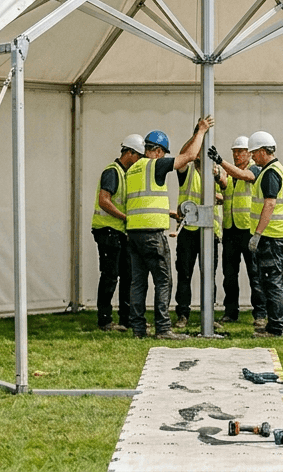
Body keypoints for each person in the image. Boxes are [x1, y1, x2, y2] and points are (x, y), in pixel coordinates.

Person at [124, 116, 213, 339]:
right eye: (163, 152)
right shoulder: (156, 164)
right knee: (164, 279)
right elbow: (189, 157)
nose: (163, 156)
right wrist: (201, 131)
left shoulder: (133, 170)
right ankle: (163, 328)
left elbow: (142, 201)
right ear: (157, 151)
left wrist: (167, 213)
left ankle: (138, 328)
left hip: (134, 233)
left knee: (138, 282)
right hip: (152, 235)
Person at [220, 130, 283, 338]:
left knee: (271, 280)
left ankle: (275, 327)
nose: (252, 156)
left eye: (252, 152)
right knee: (275, 279)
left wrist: (257, 234)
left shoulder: (269, 173)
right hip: (276, 234)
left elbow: (269, 203)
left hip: (271, 236)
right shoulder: (275, 170)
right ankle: (280, 324)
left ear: (261, 151)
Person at [91, 134, 143, 332]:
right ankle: (104, 320)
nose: (138, 161)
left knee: (126, 275)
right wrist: (125, 217)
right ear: (129, 153)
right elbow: (104, 200)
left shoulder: (125, 173)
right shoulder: (112, 172)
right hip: (108, 231)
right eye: (137, 156)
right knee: (110, 276)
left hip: (118, 232)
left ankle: (126, 318)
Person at [213, 136, 265, 329]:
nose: (236, 155)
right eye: (234, 151)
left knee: (255, 273)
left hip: (248, 229)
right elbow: (226, 188)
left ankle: (260, 313)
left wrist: (221, 162)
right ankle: (230, 312)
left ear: (249, 153)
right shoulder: (232, 173)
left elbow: (246, 177)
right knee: (229, 274)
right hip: (231, 229)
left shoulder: (254, 168)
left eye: (240, 151)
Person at [172, 147, 226, 330]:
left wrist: (217, 180)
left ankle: (209, 315)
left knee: (209, 275)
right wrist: (198, 133)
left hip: (210, 231)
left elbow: (226, 191)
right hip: (189, 229)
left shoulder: (215, 172)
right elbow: (182, 154)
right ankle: (182, 314)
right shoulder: (186, 172)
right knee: (184, 274)